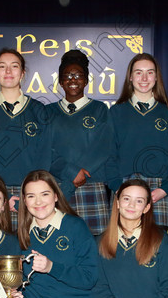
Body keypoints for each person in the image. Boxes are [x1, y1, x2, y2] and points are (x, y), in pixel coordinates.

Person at [15, 170, 100, 298]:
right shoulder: (21, 232)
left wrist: (52, 267)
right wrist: (16, 294)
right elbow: (19, 280)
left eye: (44, 194)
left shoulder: (75, 226)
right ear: (24, 201)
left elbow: (90, 278)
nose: (38, 201)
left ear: (55, 196)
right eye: (31, 196)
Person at [47, 49, 120, 236]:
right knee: (59, 244)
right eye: (68, 76)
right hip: (58, 187)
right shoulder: (47, 112)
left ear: (87, 80)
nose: (73, 80)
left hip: (91, 186)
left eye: (78, 75)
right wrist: (70, 172)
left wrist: (80, 174)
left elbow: (104, 147)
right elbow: (44, 149)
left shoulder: (99, 110)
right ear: (61, 81)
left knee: (94, 248)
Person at [0, 48, 53, 228]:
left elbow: (45, 156)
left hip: (30, 198)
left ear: (22, 73)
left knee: (29, 252)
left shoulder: (38, 110)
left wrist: (30, 195)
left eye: (14, 66)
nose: (8, 72)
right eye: (2, 66)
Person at [109, 53, 168, 229]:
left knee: (158, 250)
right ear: (130, 77)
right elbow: (107, 156)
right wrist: (119, 188)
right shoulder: (115, 113)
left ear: (156, 78)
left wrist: (165, 189)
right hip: (123, 189)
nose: (144, 78)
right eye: (138, 72)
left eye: (150, 72)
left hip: (160, 190)